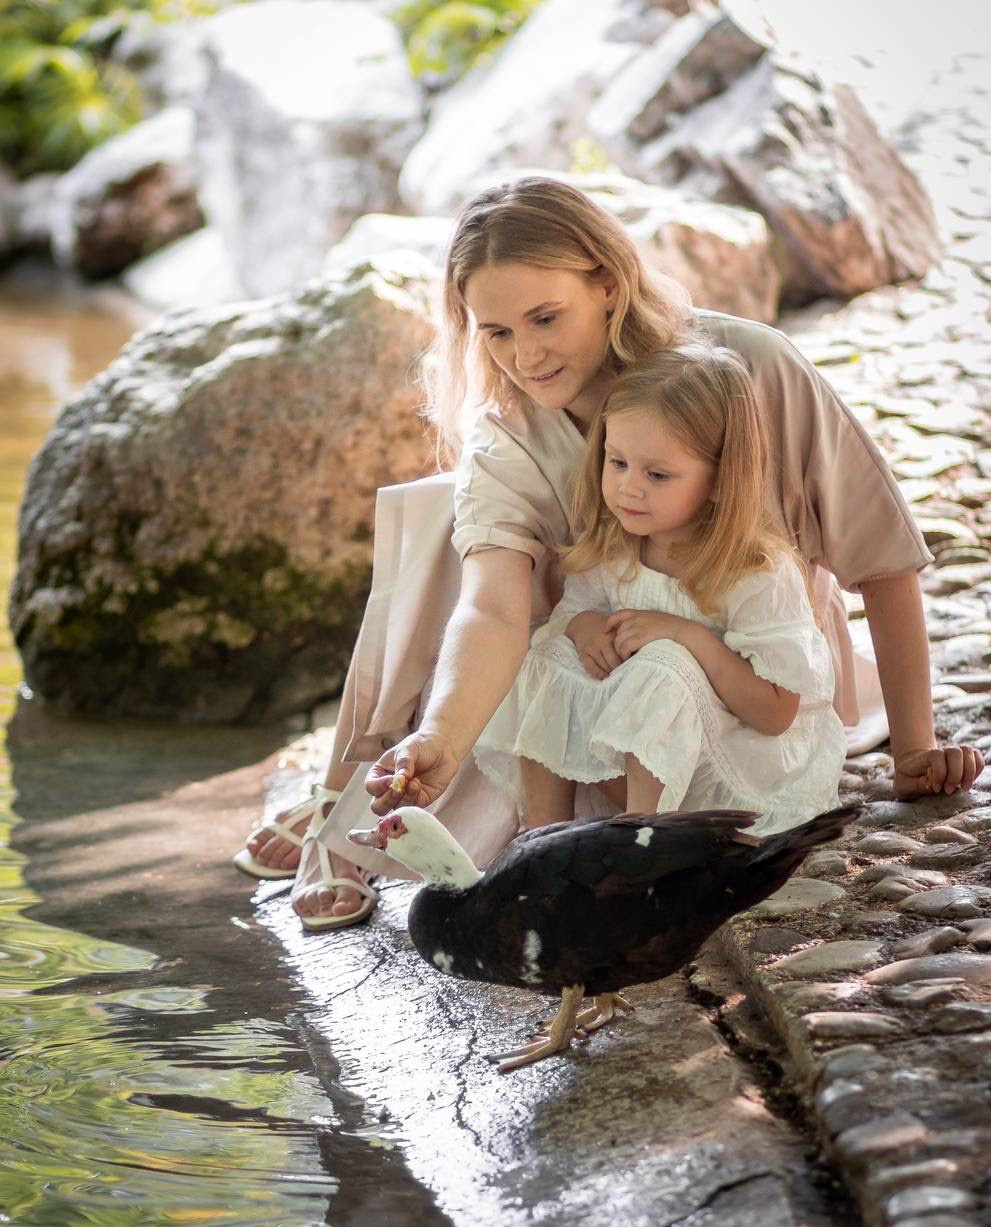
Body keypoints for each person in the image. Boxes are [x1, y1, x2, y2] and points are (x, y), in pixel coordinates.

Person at [236, 176, 985, 928]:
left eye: (544, 317)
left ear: (605, 282)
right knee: (445, 517)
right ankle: (392, 771)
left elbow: (881, 557)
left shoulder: (748, 366)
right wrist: (443, 733)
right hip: (596, 661)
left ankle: (372, 803)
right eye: (494, 332)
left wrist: (913, 753)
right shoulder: (512, 426)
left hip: (741, 662)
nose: (524, 355)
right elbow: (493, 605)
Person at [473, 343, 847, 834]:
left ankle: (639, 845)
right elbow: (575, 613)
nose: (629, 488)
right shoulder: (615, 546)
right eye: (617, 462)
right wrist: (585, 629)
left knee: (662, 665)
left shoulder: (754, 571)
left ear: (719, 479)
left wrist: (686, 639)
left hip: (739, 778)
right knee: (546, 650)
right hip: (648, 761)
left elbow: (775, 714)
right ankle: (543, 835)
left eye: (657, 474)